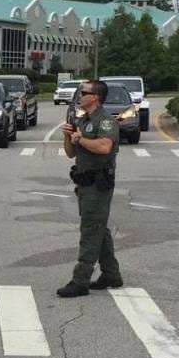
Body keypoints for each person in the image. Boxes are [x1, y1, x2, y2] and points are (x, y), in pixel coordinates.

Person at [57, 80, 123, 298]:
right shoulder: (82, 120)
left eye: (84, 92)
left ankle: (80, 279)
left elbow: (104, 147)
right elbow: (70, 153)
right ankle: (111, 274)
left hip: (99, 184)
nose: (80, 95)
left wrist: (80, 138)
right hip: (85, 183)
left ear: (95, 97)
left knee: (90, 231)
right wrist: (69, 136)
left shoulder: (105, 121)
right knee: (98, 227)